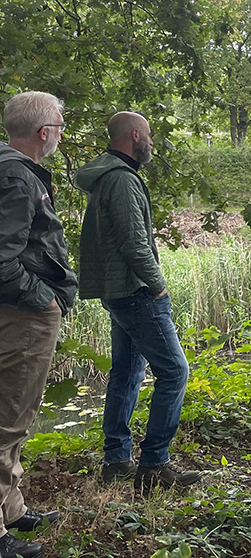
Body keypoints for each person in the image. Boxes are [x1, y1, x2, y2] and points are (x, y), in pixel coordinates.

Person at [76, 111, 201, 495]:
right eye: (148, 135)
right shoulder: (123, 180)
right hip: (136, 293)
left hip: (118, 292)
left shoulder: (106, 176)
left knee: (127, 373)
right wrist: (158, 286)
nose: (151, 143)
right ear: (134, 135)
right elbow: (135, 244)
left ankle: (116, 461)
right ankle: (154, 464)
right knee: (175, 372)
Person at [0, 91, 77, 558]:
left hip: (18, 310)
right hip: (22, 314)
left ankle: (11, 509)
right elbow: (2, 259)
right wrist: (43, 297)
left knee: (16, 415)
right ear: (44, 132)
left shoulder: (7, 166)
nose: (61, 136)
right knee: (9, 419)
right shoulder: (17, 176)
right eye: (60, 128)